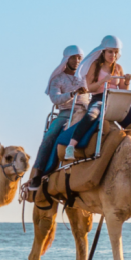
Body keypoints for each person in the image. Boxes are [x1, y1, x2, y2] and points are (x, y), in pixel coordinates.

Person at [60, 35, 131, 158]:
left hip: (116, 101)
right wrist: (103, 81)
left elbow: (124, 90)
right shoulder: (95, 66)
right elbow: (90, 88)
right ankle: (71, 146)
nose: (113, 55)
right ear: (103, 51)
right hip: (99, 98)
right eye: (110, 52)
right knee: (91, 115)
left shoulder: (118, 68)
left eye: (115, 52)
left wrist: (127, 81)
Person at [27, 45, 83, 190]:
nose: (77, 60)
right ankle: (38, 173)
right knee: (50, 135)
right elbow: (55, 98)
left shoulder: (85, 77)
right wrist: (72, 94)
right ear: (66, 59)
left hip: (86, 113)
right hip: (66, 113)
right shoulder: (58, 79)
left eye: (79, 58)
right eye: (74, 57)